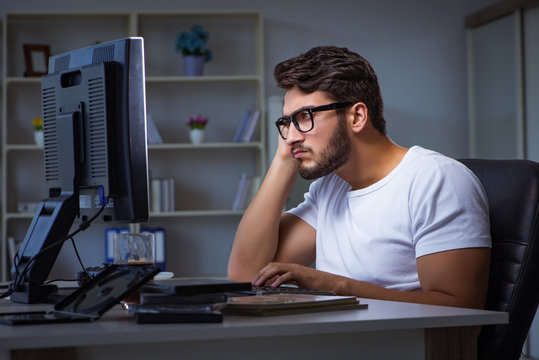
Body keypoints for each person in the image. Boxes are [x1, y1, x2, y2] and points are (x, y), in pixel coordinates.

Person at [227, 46, 491, 309]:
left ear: (357, 116)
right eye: (286, 123)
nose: (292, 135)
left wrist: (336, 286)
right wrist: (284, 159)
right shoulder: (330, 188)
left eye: (304, 117)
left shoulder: (435, 180)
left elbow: (462, 314)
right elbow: (246, 275)